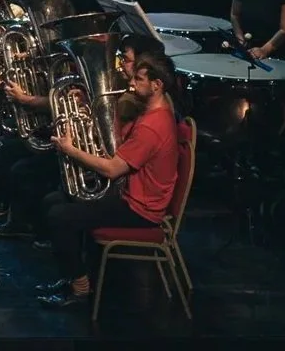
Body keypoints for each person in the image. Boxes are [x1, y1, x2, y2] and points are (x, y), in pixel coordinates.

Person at [36, 49, 184, 309]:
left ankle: (80, 286)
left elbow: (113, 170)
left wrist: (71, 150)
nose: (131, 83)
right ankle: (72, 275)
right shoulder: (153, 112)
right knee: (54, 200)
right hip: (130, 195)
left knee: (60, 216)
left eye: (139, 79)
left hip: (139, 209)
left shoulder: (153, 126)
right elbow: (121, 147)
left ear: (157, 85)